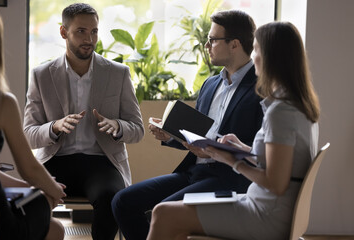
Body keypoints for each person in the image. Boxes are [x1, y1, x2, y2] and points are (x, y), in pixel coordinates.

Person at [147, 21, 321, 240]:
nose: (253, 56)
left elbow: (276, 184)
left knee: (163, 213)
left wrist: (232, 160)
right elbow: (282, 164)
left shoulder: (281, 111)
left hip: (265, 213)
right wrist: (243, 148)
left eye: (256, 50)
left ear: (271, 57)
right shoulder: (299, 105)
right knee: (167, 211)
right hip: (265, 205)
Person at [112, 10, 263, 240]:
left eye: (212, 40)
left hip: (229, 177)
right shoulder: (210, 85)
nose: (207, 45)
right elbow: (196, 135)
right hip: (194, 171)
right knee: (122, 201)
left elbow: (262, 148)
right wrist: (170, 135)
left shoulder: (261, 88)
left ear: (234, 44)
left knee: (162, 212)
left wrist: (218, 149)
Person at [23, 3, 144, 240]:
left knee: (112, 198)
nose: (89, 38)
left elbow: (137, 129)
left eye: (94, 31)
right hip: (55, 159)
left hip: (102, 162)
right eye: (81, 31)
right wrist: (54, 127)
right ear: (63, 32)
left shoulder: (118, 73)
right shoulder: (41, 75)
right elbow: (28, 133)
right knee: (31, 201)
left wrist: (118, 126)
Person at [0, 10, 66, 240]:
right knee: (46, 209)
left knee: (54, 228)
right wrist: (52, 191)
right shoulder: (1, 102)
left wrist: (27, 187)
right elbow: (29, 167)